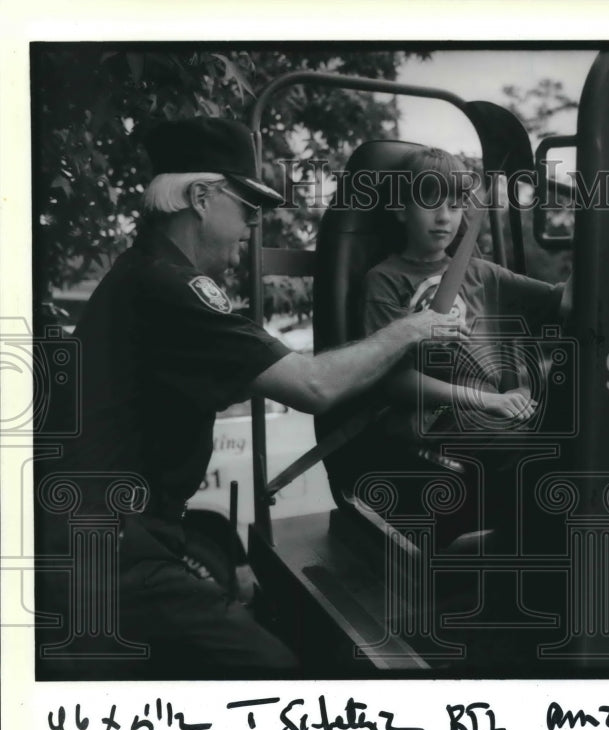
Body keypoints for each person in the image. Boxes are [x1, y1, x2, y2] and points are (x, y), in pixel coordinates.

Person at [35, 118, 460, 679]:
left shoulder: (144, 275)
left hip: (112, 535)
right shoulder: (172, 289)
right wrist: (411, 329)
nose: (253, 224)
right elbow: (314, 387)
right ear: (201, 198)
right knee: (274, 676)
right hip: (106, 554)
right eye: (246, 203)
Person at [360, 147, 572, 542]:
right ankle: (493, 546)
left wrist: (597, 243)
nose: (444, 216)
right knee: (538, 454)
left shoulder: (481, 273)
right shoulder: (385, 280)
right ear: (401, 209)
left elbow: (564, 301)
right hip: (431, 420)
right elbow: (393, 380)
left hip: (491, 414)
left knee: (577, 435)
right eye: (429, 201)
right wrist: (486, 400)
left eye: (456, 204)